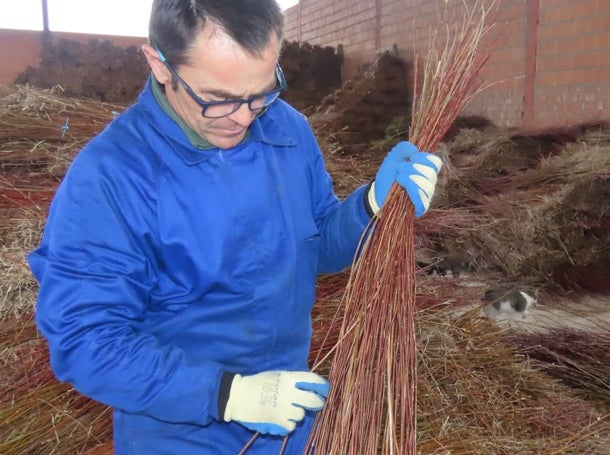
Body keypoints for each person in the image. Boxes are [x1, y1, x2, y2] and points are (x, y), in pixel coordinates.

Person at [28, 1, 443, 454]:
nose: (244, 117)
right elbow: (86, 339)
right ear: (160, 65)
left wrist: (371, 206)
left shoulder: (286, 130)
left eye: (262, 91)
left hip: (288, 414)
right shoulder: (112, 176)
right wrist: (228, 395)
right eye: (219, 98)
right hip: (178, 429)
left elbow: (318, 244)